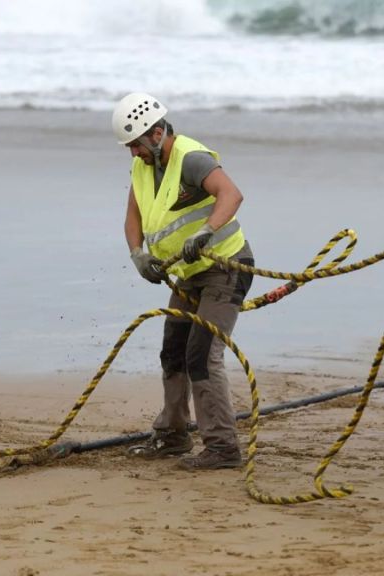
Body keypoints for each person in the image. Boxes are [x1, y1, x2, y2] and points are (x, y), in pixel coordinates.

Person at [114, 92, 254, 470]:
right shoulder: (144, 168)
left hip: (226, 268)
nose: (133, 154)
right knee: (173, 351)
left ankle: (223, 447)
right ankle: (173, 435)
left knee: (201, 355)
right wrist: (138, 255)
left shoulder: (191, 159)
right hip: (187, 277)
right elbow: (133, 218)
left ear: (156, 134)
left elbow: (231, 194)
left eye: (136, 146)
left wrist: (206, 232)